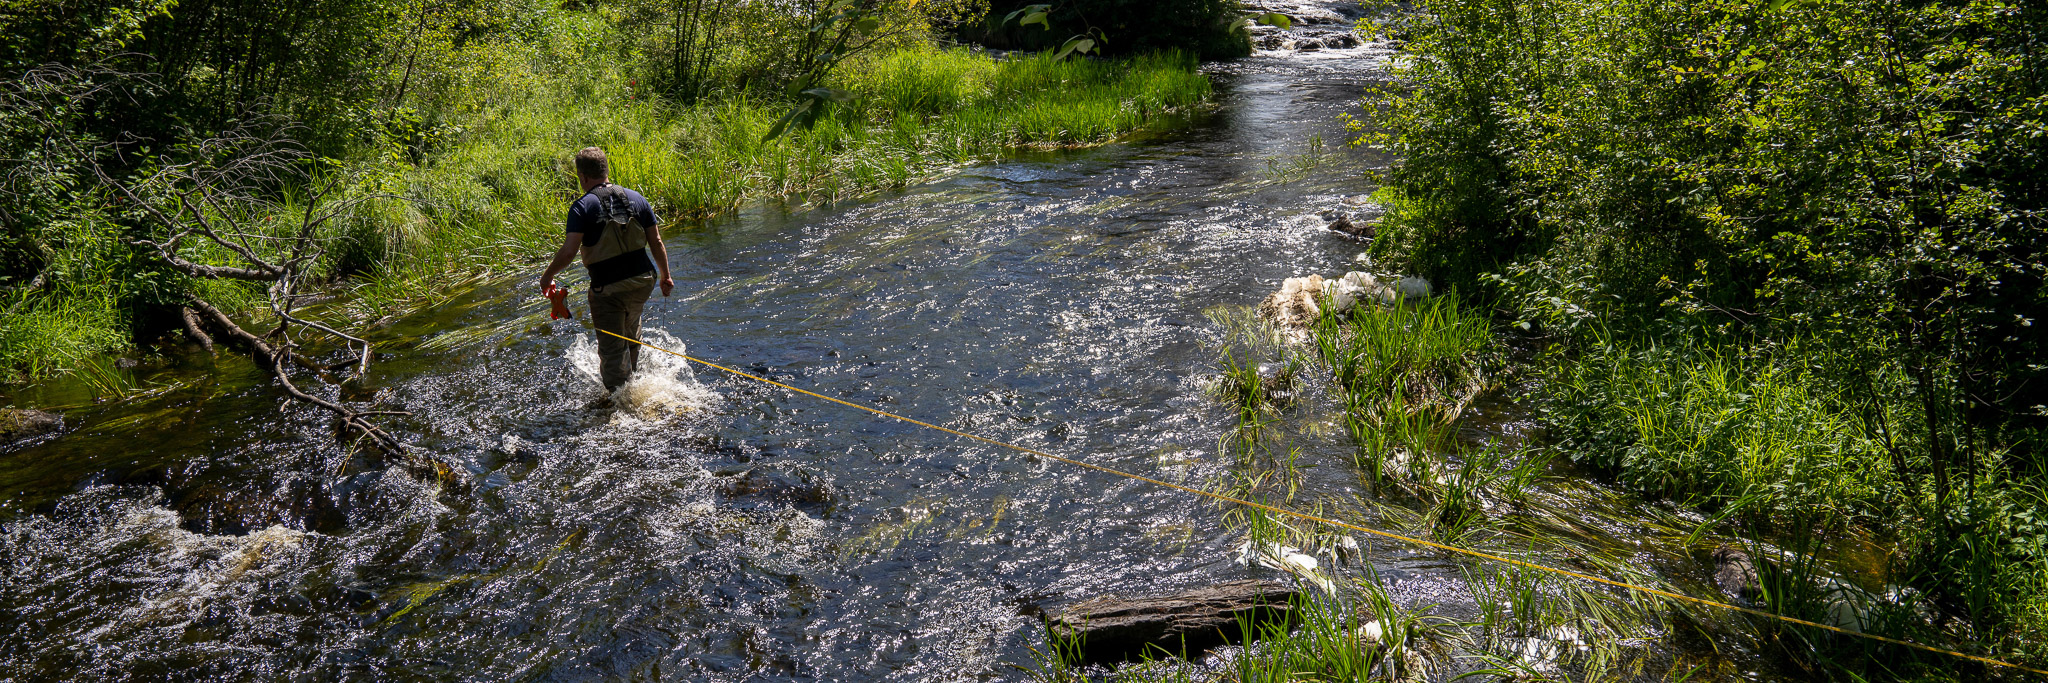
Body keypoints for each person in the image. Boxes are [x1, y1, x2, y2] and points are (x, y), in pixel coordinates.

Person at [540, 146, 674, 393]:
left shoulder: (582, 207)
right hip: (643, 281)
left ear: (582, 176)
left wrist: (548, 276)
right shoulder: (637, 198)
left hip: (608, 288)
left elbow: (569, 252)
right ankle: (635, 378)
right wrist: (666, 276)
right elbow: (656, 242)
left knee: (612, 349)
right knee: (630, 329)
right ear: (606, 169)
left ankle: (618, 403)